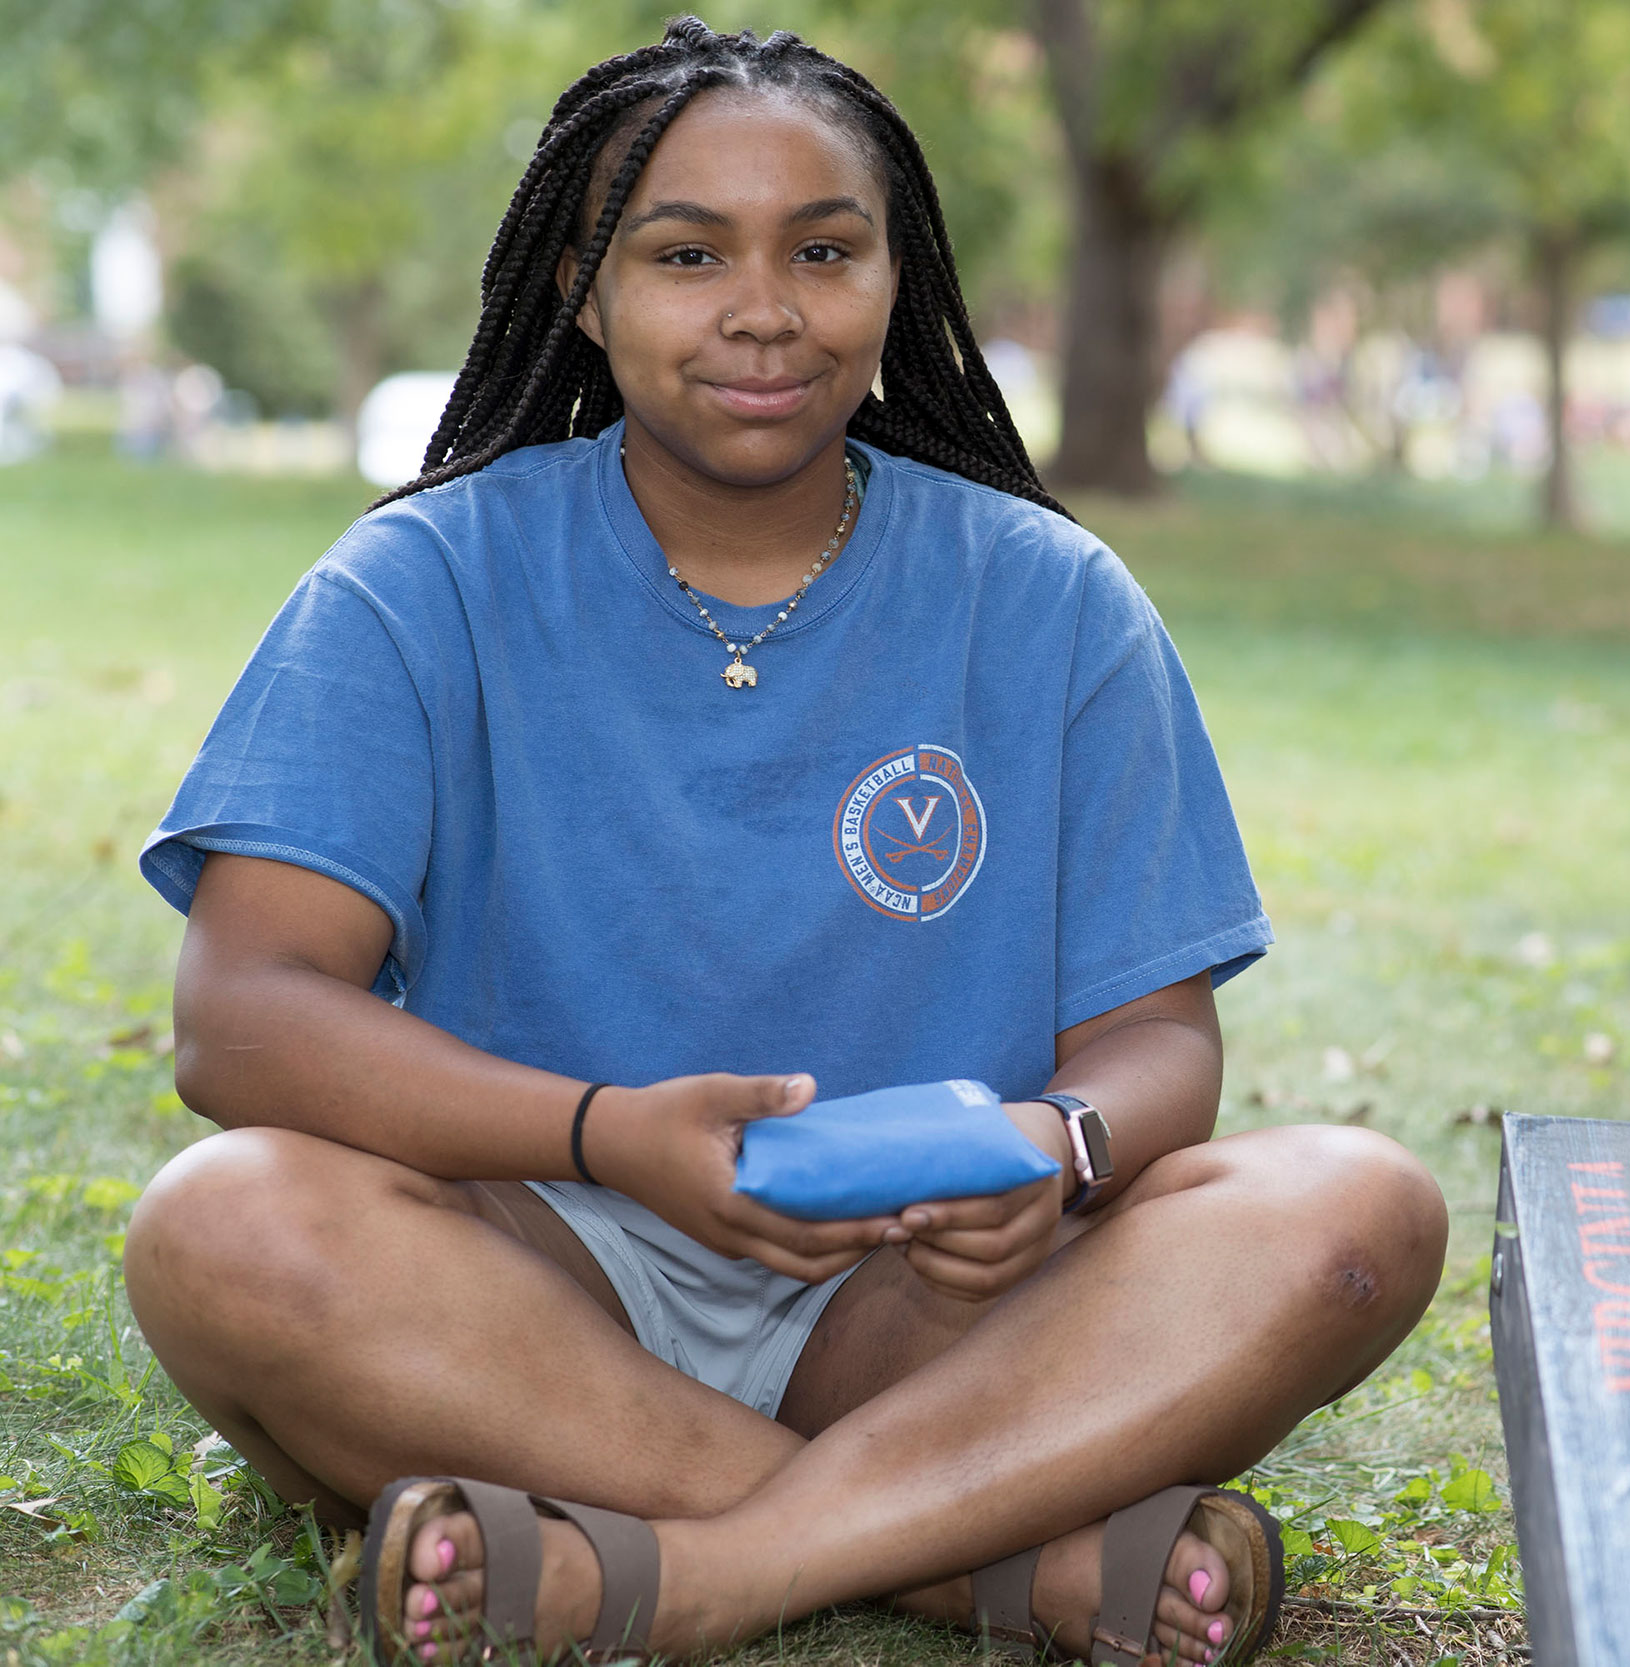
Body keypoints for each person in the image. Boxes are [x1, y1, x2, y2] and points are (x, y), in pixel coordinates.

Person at [121, 19, 1447, 1664]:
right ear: (582, 296)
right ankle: (990, 1560)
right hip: (530, 1273)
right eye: (687, 256)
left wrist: (1066, 1148)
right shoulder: (418, 587)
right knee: (221, 1226)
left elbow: (1158, 1042)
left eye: (825, 250)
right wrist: (608, 1134)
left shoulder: (1048, 599)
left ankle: (691, 1579)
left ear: (900, 280)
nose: (764, 308)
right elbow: (243, 1014)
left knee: (1355, 1205)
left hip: (929, 1299)